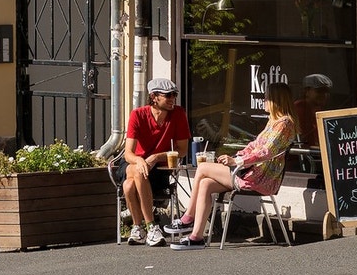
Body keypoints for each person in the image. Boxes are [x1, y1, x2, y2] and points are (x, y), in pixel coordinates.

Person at [167, 80, 296, 249]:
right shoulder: (273, 122)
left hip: (260, 179)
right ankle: (196, 237)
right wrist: (237, 155)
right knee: (205, 183)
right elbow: (254, 145)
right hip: (250, 174)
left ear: (276, 100)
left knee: (203, 168)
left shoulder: (284, 124)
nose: (263, 100)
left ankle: (188, 218)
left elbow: (266, 152)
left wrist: (237, 161)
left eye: (266, 98)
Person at [119, 77, 190, 246]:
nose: (172, 98)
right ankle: (152, 227)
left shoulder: (178, 114)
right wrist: (139, 160)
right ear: (154, 96)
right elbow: (128, 153)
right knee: (136, 170)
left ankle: (138, 229)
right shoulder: (138, 114)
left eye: (174, 94)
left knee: (128, 186)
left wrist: (156, 157)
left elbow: (182, 150)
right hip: (134, 164)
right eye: (168, 95)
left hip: (160, 167)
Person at [293, 73, 332, 147]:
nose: (324, 95)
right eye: (319, 91)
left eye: (326, 91)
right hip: (302, 155)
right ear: (307, 91)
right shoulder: (298, 109)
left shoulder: (320, 110)